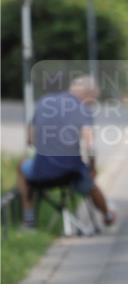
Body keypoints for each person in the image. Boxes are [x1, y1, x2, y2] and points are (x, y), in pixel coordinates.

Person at [16, 75, 116, 229]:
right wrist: (92, 167)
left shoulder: (45, 102)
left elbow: (30, 140)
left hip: (41, 172)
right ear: (88, 96)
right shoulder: (83, 110)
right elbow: (90, 145)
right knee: (90, 182)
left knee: (22, 167)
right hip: (71, 173)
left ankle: (29, 220)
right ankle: (107, 215)